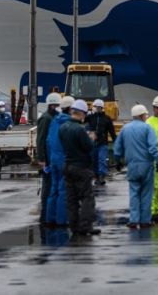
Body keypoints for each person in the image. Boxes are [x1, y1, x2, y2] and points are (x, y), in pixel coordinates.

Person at [113, 104, 158, 229]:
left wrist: (117, 161)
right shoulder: (148, 128)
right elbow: (153, 148)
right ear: (141, 115)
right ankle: (145, 221)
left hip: (132, 165)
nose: (146, 117)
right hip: (146, 165)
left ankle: (133, 220)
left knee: (134, 193)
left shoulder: (125, 129)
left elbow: (117, 148)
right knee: (146, 194)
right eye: (145, 115)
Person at [59, 99, 100, 236]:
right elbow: (88, 147)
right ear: (82, 114)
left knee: (72, 199)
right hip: (81, 167)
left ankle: (74, 226)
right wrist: (92, 139)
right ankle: (86, 226)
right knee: (87, 197)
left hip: (67, 166)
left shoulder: (63, 127)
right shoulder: (79, 130)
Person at [45, 96, 74, 227]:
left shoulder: (54, 121)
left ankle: (50, 218)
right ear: (70, 108)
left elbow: (48, 141)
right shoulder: (68, 123)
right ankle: (62, 221)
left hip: (53, 159)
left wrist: (49, 159)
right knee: (63, 190)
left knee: (54, 189)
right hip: (64, 159)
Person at [36, 92, 61, 224]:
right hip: (48, 158)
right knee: (47, 186)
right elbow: (40, 139)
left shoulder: (55, 117)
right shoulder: (46, 118)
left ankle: (51, 213)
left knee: (53, 186)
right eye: (57, 105)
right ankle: (44, 215)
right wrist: (41, 159)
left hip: (53, 156)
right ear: (52, 105)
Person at [85, 98, 117, 185]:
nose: (97, 108)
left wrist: (116, 141)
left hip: (103, 143)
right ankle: (96, 176)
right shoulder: (90, 117)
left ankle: (102, 176)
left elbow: (112, 131)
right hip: (92, 143)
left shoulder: (107, 119)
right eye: (95, 107)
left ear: (102, 108)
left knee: (102, 160)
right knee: (94, 160)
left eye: (99, 107)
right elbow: (81, 121)